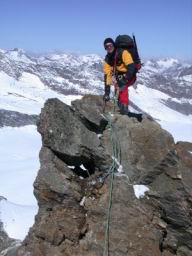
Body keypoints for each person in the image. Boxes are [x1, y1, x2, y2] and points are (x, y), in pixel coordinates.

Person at [103, 37, 142, 122]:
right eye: (106, 47)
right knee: (118, 86)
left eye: (110, 45)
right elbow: (107, 76)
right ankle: (121, 107)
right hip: (120, 75)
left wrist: (125, 79)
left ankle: (124, 111)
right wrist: (107, 93)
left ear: (113, 45)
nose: (109, 47)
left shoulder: (123, 53)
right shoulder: (107, 59)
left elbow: (131, 67)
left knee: (121, 87)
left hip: (130, 74)